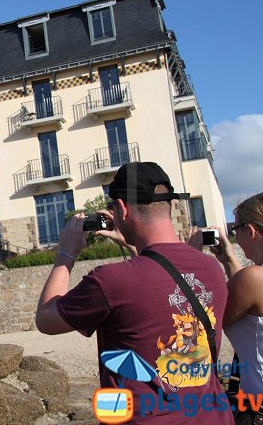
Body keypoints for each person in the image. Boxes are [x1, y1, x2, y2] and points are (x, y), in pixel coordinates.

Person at [35, 162, 232, 423]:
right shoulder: (211, 268)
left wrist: (66, 253)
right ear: (171, 205)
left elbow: (47, 319)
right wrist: (133, 244)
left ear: (122, 209)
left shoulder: (110, 280)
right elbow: (158, 278)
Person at [190, 193, 263, 424]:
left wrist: (190, 256)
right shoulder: (252, 280)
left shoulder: (252, 280)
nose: (234, 236)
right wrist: (230, 260)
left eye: (235, 230)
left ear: (250, 231)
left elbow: (201, 321)